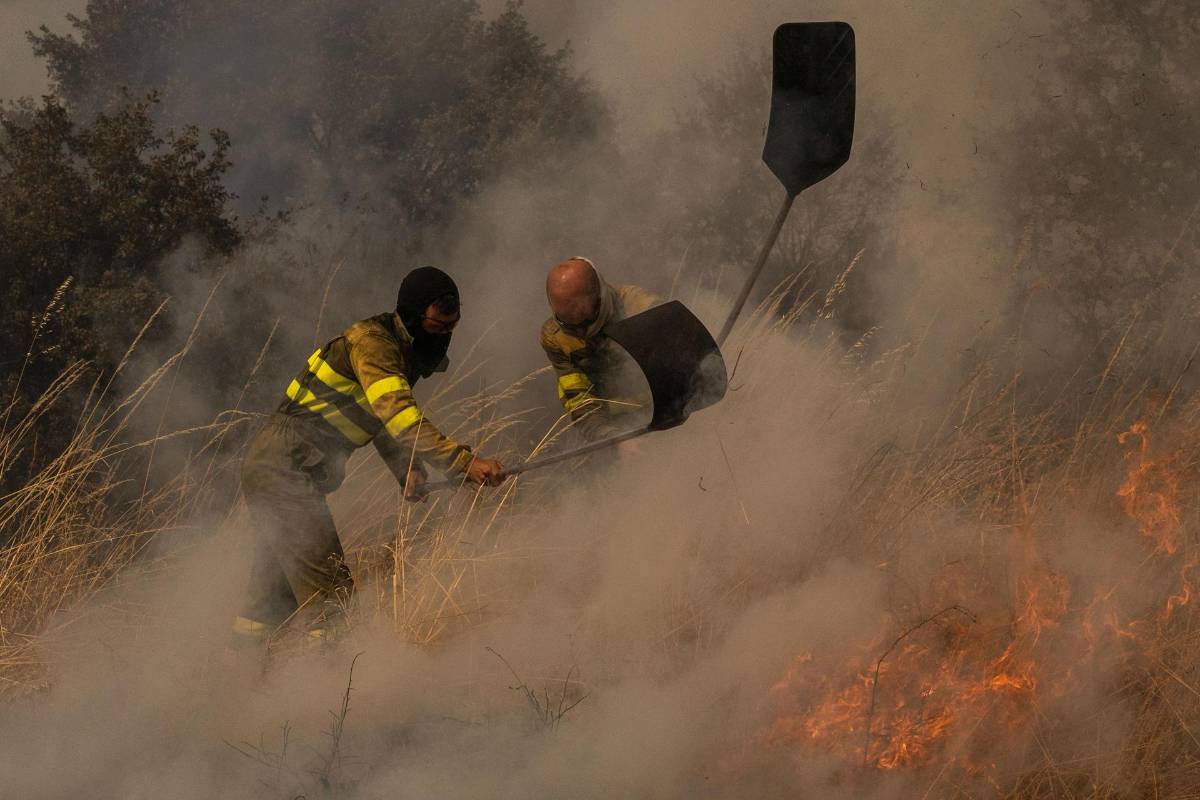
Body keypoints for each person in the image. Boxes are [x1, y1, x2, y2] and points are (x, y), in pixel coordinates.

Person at [233, 266, 505, 644]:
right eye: (438, 326)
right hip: (284, 470)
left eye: (450, 328)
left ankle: (233, 678)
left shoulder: (395, 348)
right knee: (333, 600)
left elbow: (375, 415)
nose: (443, 336)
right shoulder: (373, 345)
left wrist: (406, 469)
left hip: (280, 467)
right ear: (413, 314)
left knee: (272, 599)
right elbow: (399, 416)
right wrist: (465, 463)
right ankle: (335, 697)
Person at [539, 256, 661, 441]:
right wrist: (610, 438)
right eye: (566, 322)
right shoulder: (556, 338)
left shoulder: (640, 307)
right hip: (616, 427)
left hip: (667, 413)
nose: (579, 332)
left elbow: (690, 366)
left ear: (598, 296)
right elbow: (579, 399)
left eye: (585, 320)